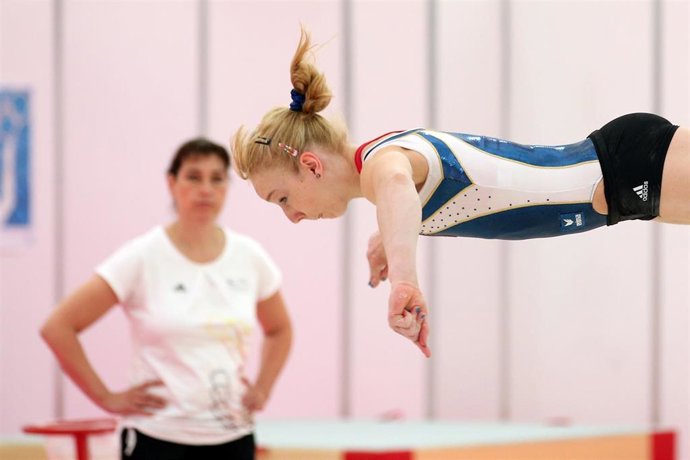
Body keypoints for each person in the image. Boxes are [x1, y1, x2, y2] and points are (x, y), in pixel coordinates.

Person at [231, 29, 689, 359]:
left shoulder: (382, 165)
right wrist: (386, 240)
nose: (291, 217)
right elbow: (404, 197)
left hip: (629, 167)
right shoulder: (378, 166)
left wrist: (404, 281)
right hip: (626, 185)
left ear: (310, 165)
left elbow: (394, 185)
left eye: (282, 199)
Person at [41, 139, 292, 459]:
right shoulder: (142, 257)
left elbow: (280, 328)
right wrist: (107, 397)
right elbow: (58, 327)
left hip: (232, 436)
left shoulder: (250, 257)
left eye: (217, 178)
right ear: (171, 183)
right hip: (156, 437)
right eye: (194, 177)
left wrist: (263, 388)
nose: (206, 189)